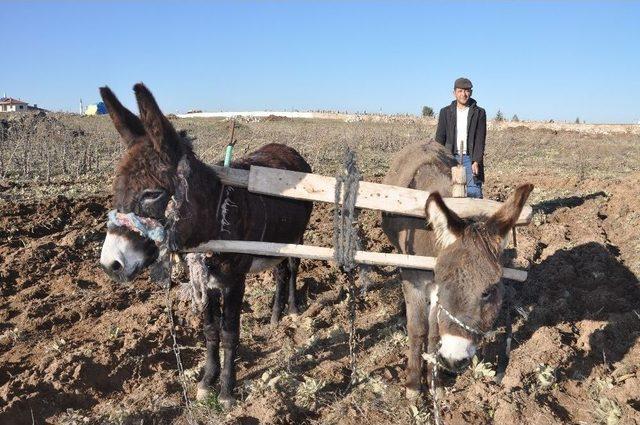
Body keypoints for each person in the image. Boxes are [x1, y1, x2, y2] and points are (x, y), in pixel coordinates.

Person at [435, 77, 486, 198]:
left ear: (471, 92)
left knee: (474, 192)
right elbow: (440, 138)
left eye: (467, 91)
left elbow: (480, 139)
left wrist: (476, 161)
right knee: (447, 191)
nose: (464, 94)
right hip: (449, 157)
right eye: (460, 91)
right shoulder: (445, 112)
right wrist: (438, 159)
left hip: (470, 157)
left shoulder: (479, 113)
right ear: (454, 93)